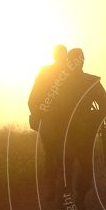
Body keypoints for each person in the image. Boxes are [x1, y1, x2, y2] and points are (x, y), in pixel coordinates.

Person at [52, 48, 106, 210]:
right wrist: (105, 127)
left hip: (66, 134)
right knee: (82, 168)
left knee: (67, 169)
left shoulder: (58, 83)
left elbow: (49, 109)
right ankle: (77, 202)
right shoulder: (91, 82)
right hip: (81, 134)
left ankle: (68, 204)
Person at [28, 45, 69, 201]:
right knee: (63, 157)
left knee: (51, 156)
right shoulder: (71, 73)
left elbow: (32, 99)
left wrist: (38, 117)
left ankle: (53, 190)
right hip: (63, 124)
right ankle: (61, 190)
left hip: (50, 123)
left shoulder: (45, 72)